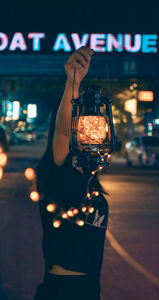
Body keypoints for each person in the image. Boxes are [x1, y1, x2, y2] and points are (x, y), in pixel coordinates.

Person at [33, 47, 109, 300]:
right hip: (62, 291)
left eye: (98, 122)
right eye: (85, 122)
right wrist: (73, 84)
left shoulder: (92, 180)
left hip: (89, 289)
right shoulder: (58, 171)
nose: (94, 127)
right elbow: (63, 133)